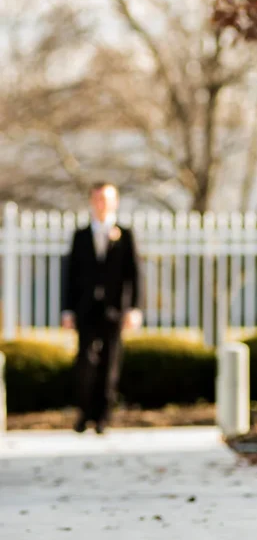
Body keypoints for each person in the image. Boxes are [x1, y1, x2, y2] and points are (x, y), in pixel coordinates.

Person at [61, 182, 143, 434]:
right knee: (85, 360)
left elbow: (135, 275)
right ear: (91, 201)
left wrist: (135, 309)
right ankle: (83, 412)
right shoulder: (80, 235)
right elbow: (70, 275)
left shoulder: (125, 234)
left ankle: (103, 417)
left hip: (114, 309)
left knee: (110, 362)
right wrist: (67, 309)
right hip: (85, 308)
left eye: (106, 199)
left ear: (115, 202)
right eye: (97, 199)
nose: (101, 204)